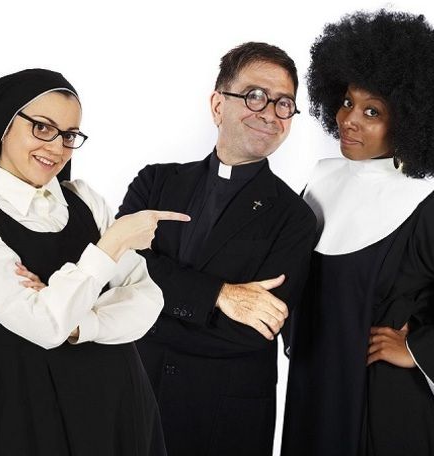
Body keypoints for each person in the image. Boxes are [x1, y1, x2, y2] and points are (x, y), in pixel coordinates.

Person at [0, 68, 188, 455]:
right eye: (42, 127)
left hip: (123, 398)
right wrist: (111, 245)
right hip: (33, 406)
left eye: (69, 135)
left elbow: (148, 300)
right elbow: (43, 326)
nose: (57, 148)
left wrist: (79, 323)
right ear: (4, 124)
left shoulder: (83, 198)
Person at [281, 10, 434, 456]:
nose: (349, 119)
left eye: (372, 111)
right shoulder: (318, 185)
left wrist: (419, 349)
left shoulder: (422, 208)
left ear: (409, 124)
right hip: (319, 391)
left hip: (392, 407)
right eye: (347, 102)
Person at [117, 42, 317, 456]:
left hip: (224, 416)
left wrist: (138, 316)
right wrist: (219, 295)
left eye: (284, 103)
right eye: (255, 95)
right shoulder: (155, 183)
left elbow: (253, 331)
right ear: (217, 105)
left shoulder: (295, 216)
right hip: (134, 395)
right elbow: (117, 270)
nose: (270, 113)